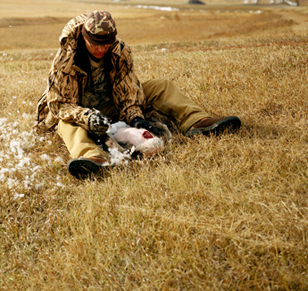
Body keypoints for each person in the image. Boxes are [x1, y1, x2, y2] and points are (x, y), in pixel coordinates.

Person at [36, 10, 241, 179]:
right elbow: (59, 104)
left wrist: (136, 118)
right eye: (95, 44)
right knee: (65, 123)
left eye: (106, 44)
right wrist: (87, 117)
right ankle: (94, 158)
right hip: (78, 110)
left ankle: (197, 122)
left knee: (161, 86)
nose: (101, 49)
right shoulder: (66, 58)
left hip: (111, 105)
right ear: (85, 38)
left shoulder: (119, 50)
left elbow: (129, 87)